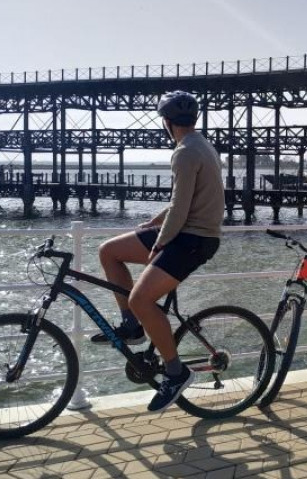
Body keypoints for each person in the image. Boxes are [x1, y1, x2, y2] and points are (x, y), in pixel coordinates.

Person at [91, 91, 225, 412]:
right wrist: (157, 222)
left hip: (192, 239)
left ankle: (176, 373)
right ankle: (132, 325)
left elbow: (181, 209)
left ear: (166, 122)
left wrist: (161, 242)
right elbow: (185, 201)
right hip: (186, 230)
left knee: (141, 298)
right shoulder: (201, 145)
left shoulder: (184, 153)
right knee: (109, 251)